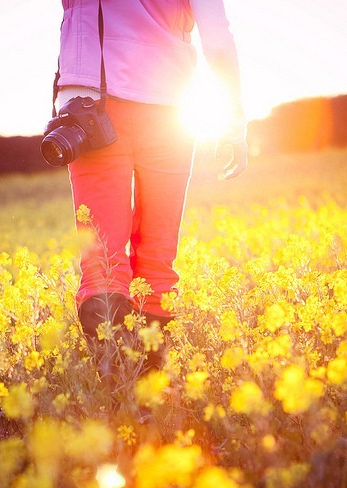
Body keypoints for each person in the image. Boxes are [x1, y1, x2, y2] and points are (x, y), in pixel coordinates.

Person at [54, 0, 247, 365]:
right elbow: (218, 40)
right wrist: (234, 122)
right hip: (170, 106)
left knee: (103, 265)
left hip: (90, 105)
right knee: (158, 260)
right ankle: (151, 395)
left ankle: (117, 393)